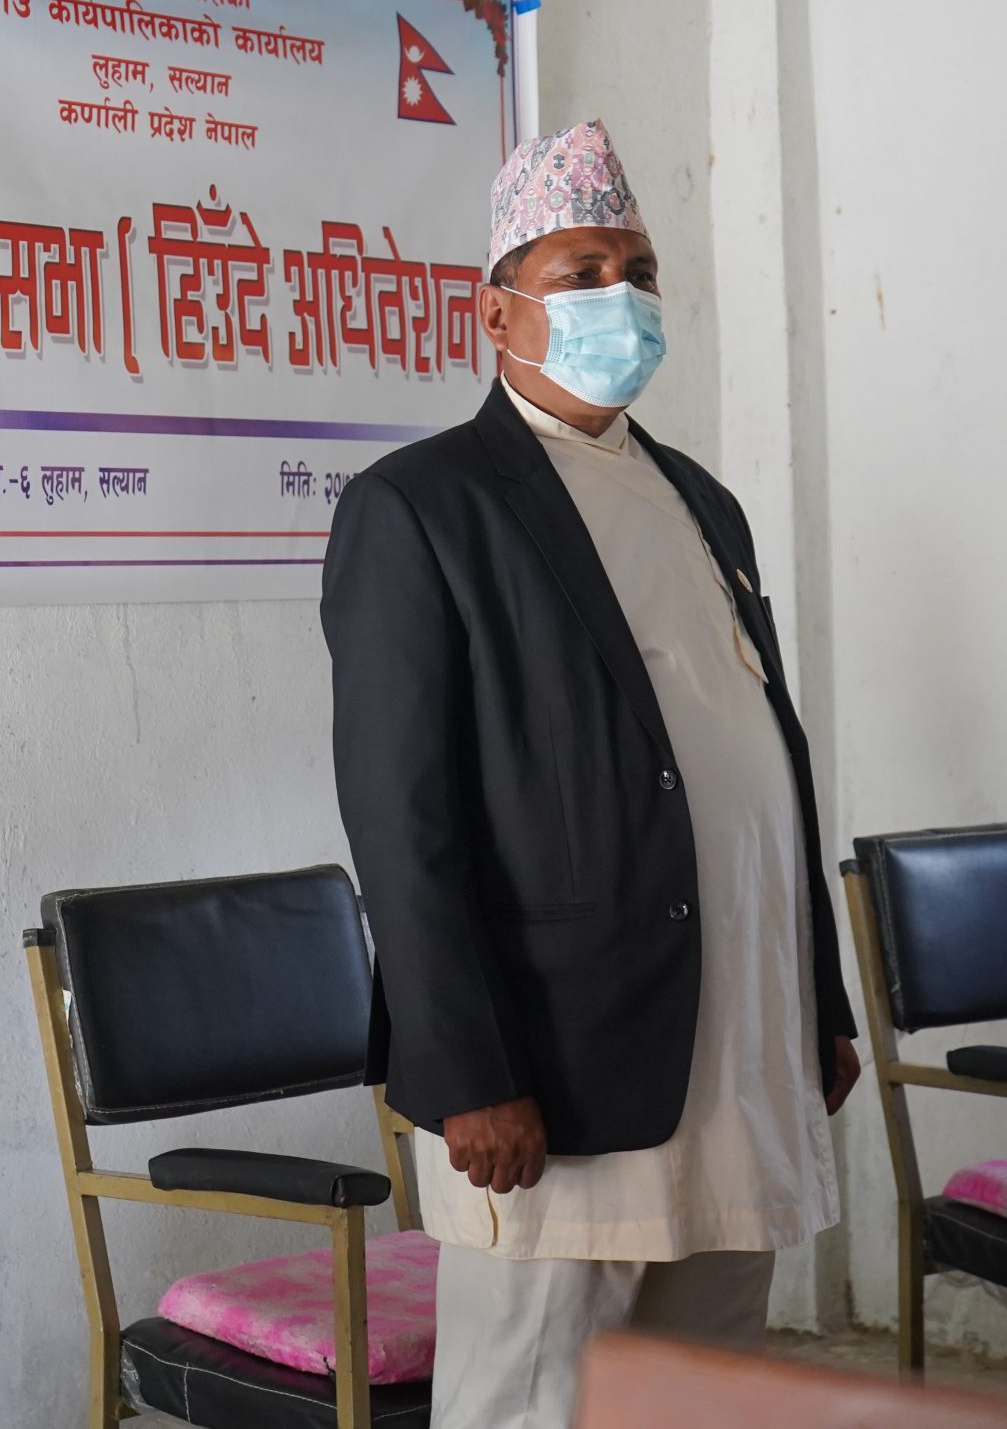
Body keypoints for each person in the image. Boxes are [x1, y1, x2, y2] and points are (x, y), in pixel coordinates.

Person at [321, 120, 859, 1429]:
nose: (620, 298)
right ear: (493, 311)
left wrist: (817, 1002)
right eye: (582, 272)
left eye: (639, 270)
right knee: (536, 1398)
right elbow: (403, 818)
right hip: (556, 1061)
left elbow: (761, 761)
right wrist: (465, 1066)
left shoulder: (702, 500)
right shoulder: (425, 505)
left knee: (702, 1397)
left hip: (736, 1042)